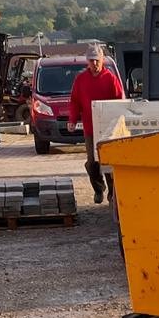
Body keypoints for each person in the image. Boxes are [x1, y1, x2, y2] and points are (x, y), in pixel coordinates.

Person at [68, 45, 124, 203]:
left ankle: (113, 192)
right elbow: (74, 102)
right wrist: (72, 120)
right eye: (91, 61)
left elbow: (120, 100)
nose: (94, 63)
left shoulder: (110, 78)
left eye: (97, 60)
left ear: (102, 60)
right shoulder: (81, 79)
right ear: (87, 62)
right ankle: (98, 189)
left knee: (109, 161)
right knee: (92, 162)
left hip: (109, 127)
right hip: (90, 128)